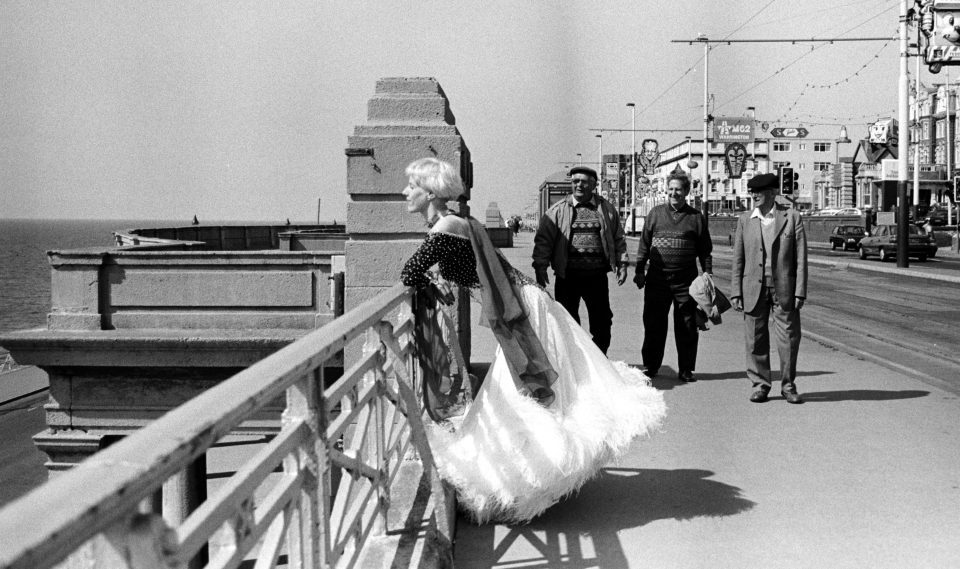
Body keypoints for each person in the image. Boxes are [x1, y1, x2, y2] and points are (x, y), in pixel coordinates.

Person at [399, 158, 665, 524]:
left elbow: (409, 272)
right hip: (524, 301)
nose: (405, 193)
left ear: (429, 193)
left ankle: (532, 473)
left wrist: (426, 283)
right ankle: (531, 473)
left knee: (517, 391)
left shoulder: (445, 226)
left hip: (521, 309)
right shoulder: (455, 223)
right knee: (519, 390)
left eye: (411, 187)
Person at [532, 166, 628, 355]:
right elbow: (544, 241)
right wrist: (540, 266)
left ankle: (599, 359)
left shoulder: (606, 209)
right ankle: (575, 361)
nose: (579, 185)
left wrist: (622, 263)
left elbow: (618, 238)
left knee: (602, 321)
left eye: (584, 182)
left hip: (596, 277)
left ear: (594, 184)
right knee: (567, 322)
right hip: (568, 277)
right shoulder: (557, 211)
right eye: (575, 181)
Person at [730, 173, 808, 404]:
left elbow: (801, 259)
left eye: (759, 191)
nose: (753, 195)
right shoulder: (745, 220)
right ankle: (760, 385)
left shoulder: (792, 217)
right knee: (755, 339)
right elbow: (738, 259)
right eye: (752, 191)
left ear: (773, 193)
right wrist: (736, 291)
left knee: (789, 340)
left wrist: (800, 291)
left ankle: (788, 386)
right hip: (753, 288)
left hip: (784, 288)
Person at [633, 172, 713, 382]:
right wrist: (639, 270)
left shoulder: (696, 218)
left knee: (687, 325)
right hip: (657, 279)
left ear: (686, 191)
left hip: (686, 281)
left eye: (678, 189)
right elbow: (644, 244)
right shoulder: (655, 214)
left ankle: (686, 369)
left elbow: (705, 250)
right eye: (671, 189)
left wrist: (707, 275)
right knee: (653, 324)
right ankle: (650, 366)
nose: (674, 193)